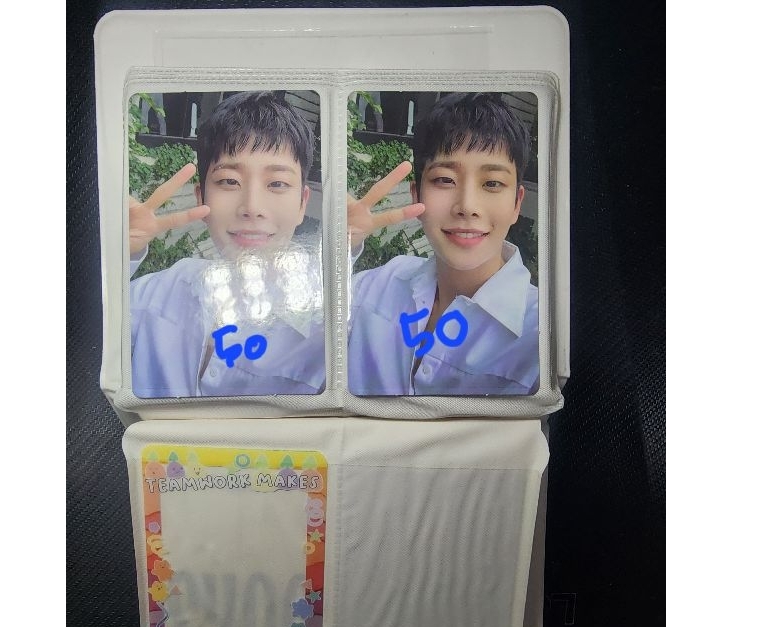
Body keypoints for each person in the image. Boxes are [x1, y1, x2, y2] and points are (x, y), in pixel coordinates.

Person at [128, 91, 324, 398]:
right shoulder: (154, 295)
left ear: (302, 203)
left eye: (277, 184)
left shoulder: (330, 335)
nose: (252, 207)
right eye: (229, 181)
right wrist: (114, 253)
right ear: (201, 198)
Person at [347, 92, 539, 396]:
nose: (467, 206)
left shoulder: (542, 335)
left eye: (492, 183)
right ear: (416, 194)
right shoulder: (378, 286)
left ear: (517, 203)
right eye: (445, 180)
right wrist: (337, 245)